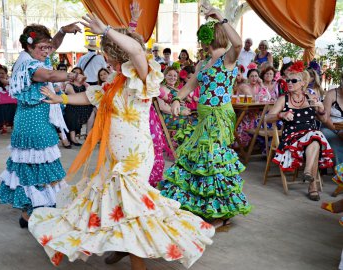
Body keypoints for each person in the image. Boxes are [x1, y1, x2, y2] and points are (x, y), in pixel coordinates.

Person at [28, 13, 214, 270]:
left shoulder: (143, 76)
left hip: (135, 156)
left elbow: (137, 50)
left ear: (115, 52)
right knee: (113, 201)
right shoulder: (114, 81)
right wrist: (62, 100)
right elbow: (93, 98)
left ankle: (138, 262)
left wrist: (105, 30)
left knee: (131, 206)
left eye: (107, 53)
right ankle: (120, 246)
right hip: (113, 155)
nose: (105, 58)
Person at [158, 4, 251, 225]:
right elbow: (188, 86)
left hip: (219, 117)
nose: (202, 39)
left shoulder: (227, 58)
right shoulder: (202, 63)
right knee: (197, 158)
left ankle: (219, 210)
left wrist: (222, 17)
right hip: (202, 119)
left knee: (212, 158)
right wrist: (178, 100)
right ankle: (200, 204)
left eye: (204, 35)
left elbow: (238, 43)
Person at [0, 22, 85, 228]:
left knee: (41, 165)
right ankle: (31, 212)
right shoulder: (28, 65)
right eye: (42, 48)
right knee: (36, 165)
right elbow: (50, 76)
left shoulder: (37, 57)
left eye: (47, 48)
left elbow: (53, 46)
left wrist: (62, 32)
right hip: (31, 124)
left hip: (38, 120)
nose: (47, 51)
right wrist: (73, 76)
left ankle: (36, 210)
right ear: (29, 47)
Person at [266, 61, 334, 201]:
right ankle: (312, 185)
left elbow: (324, 119)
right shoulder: (283, 99)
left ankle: (309, 173)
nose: (289, 83)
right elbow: (267, 118)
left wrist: (321, 110)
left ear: (303, 83)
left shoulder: (310, 98)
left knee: (314, 140)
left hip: (311, 137)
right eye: (288, 80)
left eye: (293, 80)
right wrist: (281, 115)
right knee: (316, 137)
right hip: (291, 139)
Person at [64, 67, 93, 146]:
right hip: (72, 106)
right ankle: (73, 137)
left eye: (79, 73)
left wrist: (84, 83)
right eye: (75, 73)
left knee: (92, 109)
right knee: (71, 110)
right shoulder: (69, 85)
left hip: (83, 107)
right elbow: (75, 98)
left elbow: (90, 94)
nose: (77, 75)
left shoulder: (85, 85)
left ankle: (88, 134)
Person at [321, 75, 343, 164]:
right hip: (330, 127)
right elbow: (325, 118)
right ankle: (341, 174)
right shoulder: (331, 94)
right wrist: (338, 131)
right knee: (335, 142)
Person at [0, 65, 17, 134]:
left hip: (12, 101)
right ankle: (4, 126)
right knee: (2, 107)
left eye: (2, 73)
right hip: (1, 102)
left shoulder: (11, 81)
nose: (1, 75)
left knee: (12, 105)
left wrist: (7, 83)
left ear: (6, 74)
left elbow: (15, 88)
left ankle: (13, 124)